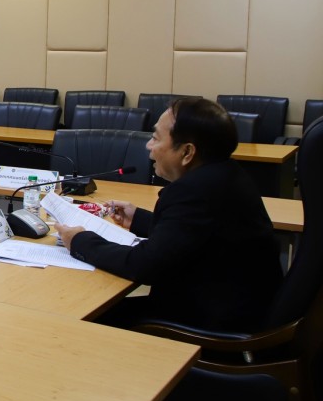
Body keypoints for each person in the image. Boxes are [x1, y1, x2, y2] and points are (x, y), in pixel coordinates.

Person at [53, 97, 281, 332]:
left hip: (209, 323)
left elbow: (144, 265)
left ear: (187, 152)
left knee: (74, 318)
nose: (148, 146)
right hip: (236, 307)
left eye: (155, 138)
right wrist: (139, 219)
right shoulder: (227, 174)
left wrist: (80, 241)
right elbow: (194, 234)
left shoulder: (192, 191)